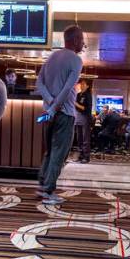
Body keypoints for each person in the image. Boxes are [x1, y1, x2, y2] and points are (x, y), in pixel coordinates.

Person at [35, 25, 84, 205]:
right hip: (64, 113)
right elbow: (67, 88)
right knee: (60, 153)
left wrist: (49, 104)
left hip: (48, 113)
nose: (83, 43)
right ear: (76, 39)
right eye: (82, 40)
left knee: (50, 150)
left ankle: (42, 184)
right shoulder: (76, 60)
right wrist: (55, 106)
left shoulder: (52, 57)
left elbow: (39, 83)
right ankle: (48, 191)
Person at [74, 78, 94, 163]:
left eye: (83, 84)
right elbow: (76, 106)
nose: (81, 86)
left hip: (85, 117)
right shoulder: (78, 94)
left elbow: (86, 108)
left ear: (87, 86)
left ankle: (86, 157)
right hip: (78, 117)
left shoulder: (88, 95)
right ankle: (81, 155)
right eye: (81, 84)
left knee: (85, 138)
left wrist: (76, 104)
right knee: (79, 138)